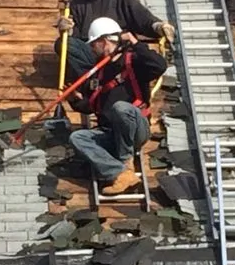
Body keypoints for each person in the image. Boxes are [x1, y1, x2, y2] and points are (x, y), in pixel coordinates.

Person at [69, 17, 167, 194]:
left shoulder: (133, 61)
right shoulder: (100, 72)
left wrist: (136, 43)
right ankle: (121, 173)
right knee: (78, 138)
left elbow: (159, 65)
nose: (92, 50)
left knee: (120, 108)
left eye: (94, 44)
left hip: (136, 128)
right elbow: (93, 106)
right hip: (111, 133)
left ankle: (125, 159)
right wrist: (75, 100)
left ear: (105, 41)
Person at [53, 0, 174, 89]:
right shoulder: (78, 3)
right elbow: (74, 35)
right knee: (62, 44)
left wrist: (159, 26)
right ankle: (89, 82)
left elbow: (143, 18)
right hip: (93, 54)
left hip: (119, 53)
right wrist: (66, 30)